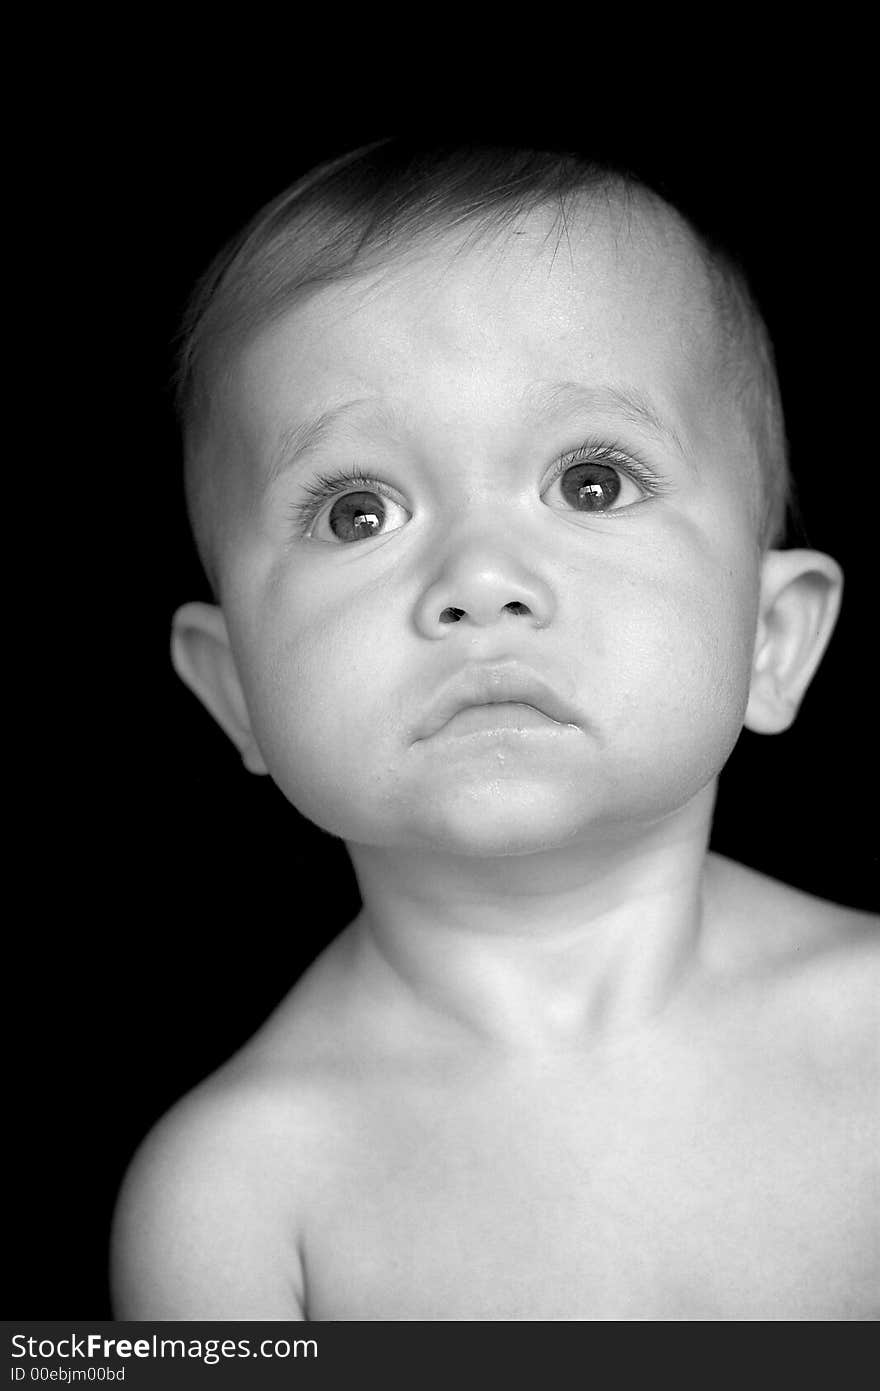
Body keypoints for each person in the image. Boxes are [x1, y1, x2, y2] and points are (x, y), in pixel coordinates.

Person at [110, 137, 879, 1321]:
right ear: (235, 692)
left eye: (590, 482)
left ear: (771, 640)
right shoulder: (239, 1199)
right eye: (357, 509)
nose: (478, 577)